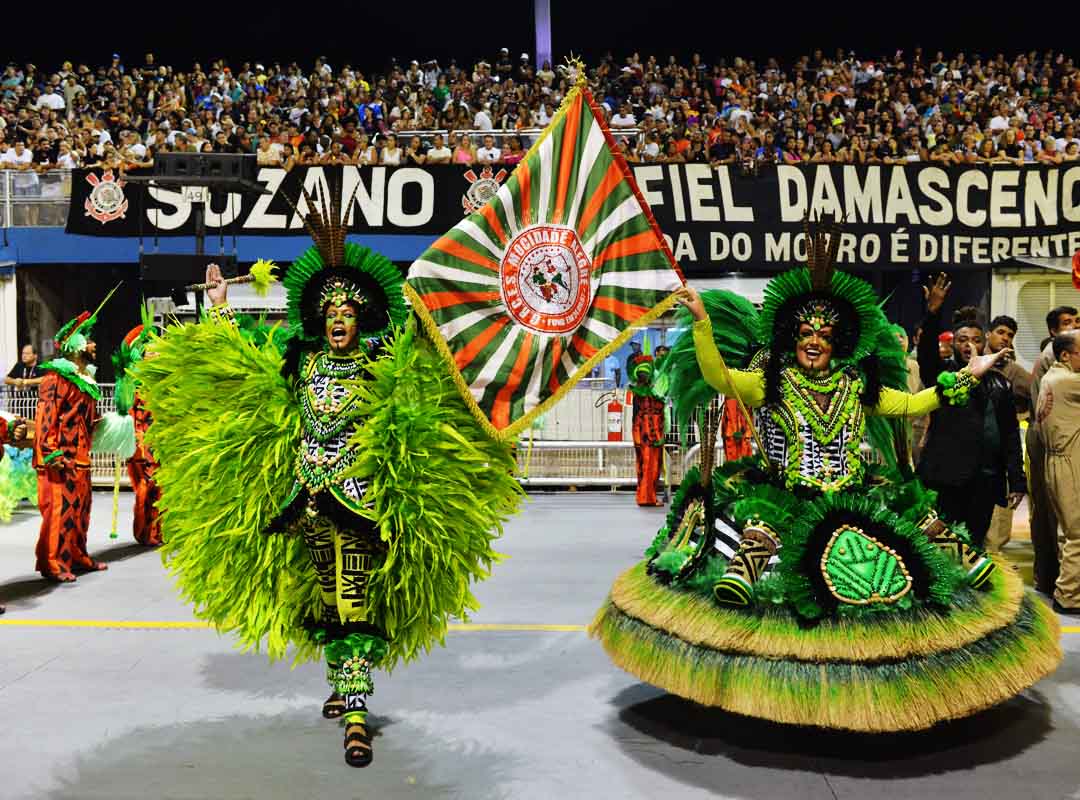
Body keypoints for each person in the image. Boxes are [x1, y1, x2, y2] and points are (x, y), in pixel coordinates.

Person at [592, 224, 1058, 732]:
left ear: (838, 344)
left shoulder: (858, 385)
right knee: (755, 554)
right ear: (794, 340)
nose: (814, 342)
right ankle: (770, 681)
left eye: (824, 336)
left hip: (855, 496)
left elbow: (912, 403)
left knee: (926, 544)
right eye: (806, 335)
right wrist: (702, 323)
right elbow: (718, 379)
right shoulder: (770, 381)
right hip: (784, 498)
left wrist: (967, 376)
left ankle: (888, 682)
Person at [134, 189, 521, 768]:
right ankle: (343, 685)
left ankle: (358, 712)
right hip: (307, 497)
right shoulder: (301, 363)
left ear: (362, 318)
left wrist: (434, 309)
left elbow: (423, 369)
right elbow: (242, 375)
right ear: (320, 318)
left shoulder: (376, 364)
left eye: (349, 313)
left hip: (360, 500)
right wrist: (217, 309)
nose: (339, 320)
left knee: (353, 597)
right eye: (332, 313)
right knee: (327, 596)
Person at [917, 281, 1025, 549]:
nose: (970, 346)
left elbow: (1010, 435)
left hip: (984, 482)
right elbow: (927, 356)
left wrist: (1017, 480)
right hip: (945, 478)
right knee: (942, 546)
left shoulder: (1000, 383)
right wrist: (932, 313)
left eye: (976, 340)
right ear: (954, 343)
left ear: (985, 341)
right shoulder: (942, 376)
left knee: (975, 546)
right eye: (962, 340)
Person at [33, 294, 119, 582]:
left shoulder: (86, 383)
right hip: (59, 459)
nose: (94, 344)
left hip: (81, 459)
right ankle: (52, 562)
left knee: (80, 511)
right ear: (75, 345)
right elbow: (47, 419)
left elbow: (84, 422)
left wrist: (112, 424)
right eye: (89, 340)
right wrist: (52, 453)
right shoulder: (55, 379)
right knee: (58, 512)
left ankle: (77, 555)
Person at [1028, 305, 1078, 593]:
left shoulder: (1057, 367)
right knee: (1067, 528)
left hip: (1060, 449)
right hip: (1058, 451)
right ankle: (1062, 589)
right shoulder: (1062, 374)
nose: (1074, 326)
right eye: (1067, 323)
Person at [1037, 331, 1080, 613]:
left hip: (1057, 461)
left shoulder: (1050, 376)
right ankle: (1068, 596)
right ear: (1065, 355)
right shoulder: (1068, 381)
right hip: (1069, 464)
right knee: (1078, 534)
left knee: (1069, 532)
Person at [983, 315, 1032, 552]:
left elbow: (1037, 396)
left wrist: (1022, 413)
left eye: (1010, 335)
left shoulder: (1014, 372)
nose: (1005, 338)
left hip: (998, 459)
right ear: (988, 334)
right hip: (965, 460)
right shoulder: (970, 365)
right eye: (1001, 332)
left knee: (996, 532)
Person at [627, 349, 664, 507]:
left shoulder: (637, 393)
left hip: (639, 433)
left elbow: (635, 417)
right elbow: (651, 419)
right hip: (650, 435)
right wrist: (656, 436)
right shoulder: (651, 396)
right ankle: (647, 498)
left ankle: (642, 495)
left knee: (642, 466)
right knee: (651, 466)